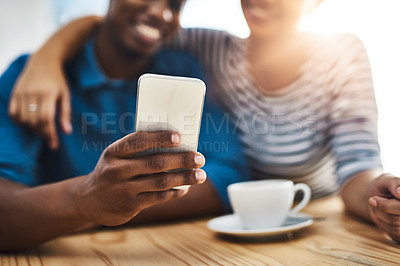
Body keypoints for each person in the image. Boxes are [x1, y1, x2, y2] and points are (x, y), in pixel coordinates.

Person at [9, 0, 400, 244]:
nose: (162, 12)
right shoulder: (210, 51)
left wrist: (379, 199)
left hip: (313, 221)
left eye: (176, 5)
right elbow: (106, 24)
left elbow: (354, 165)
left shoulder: (193, 61)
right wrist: (45, 57)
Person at [0, 0, 249, 251]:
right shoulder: (30, 80)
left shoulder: (183, 71)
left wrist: (102, 208)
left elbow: (230, 174)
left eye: (174, 5)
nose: (160, 13)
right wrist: (85, 201)